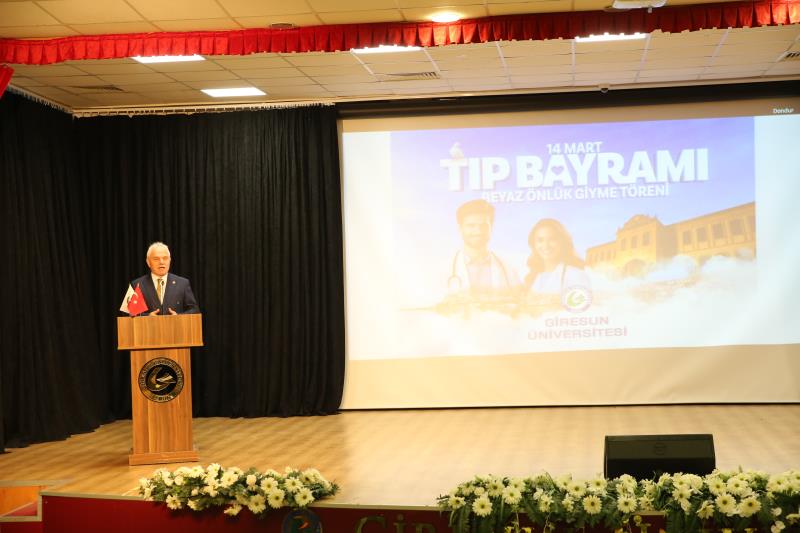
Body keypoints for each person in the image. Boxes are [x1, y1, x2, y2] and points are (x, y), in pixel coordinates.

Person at [448, 199, 520, 299]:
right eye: (471, 226)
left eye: (484, 226)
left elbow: (519, 305)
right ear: (460, 229)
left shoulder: (508, 270)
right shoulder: (444, 270)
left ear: (491, 228)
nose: (478, 231)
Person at [120, 242, 199, 315]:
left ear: (170, 260)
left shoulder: (182, 283)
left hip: (176, 326)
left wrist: (178, 317)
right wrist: (147, 317)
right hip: (147, 326)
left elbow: (194, 310)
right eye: (156, 259)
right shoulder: (137, 284)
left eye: (165, 258)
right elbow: (128, 313)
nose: (161, 262)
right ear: (148, 262)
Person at [524, 218, 590, 295]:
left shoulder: (575, 275)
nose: (546, 245)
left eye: (552, 239)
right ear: (533, 244)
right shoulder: (533, 277)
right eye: (540, 240)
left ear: (562, 242)